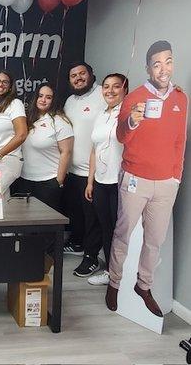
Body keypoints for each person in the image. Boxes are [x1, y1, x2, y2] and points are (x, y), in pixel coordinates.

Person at [106, 41, 188, 317]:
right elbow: (120, 135)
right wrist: (132, 121)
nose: (163, 69)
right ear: (148, 68)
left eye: (168, 61)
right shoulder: (134, 97)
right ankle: (114, 283)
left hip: (166, 183)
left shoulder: (180, 98)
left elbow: (180, 140)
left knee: (155, 240)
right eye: (157, 64)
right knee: (123, 234)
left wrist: (177, 175)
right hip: (135, 178)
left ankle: (144, 285)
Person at [63, 61, 107, 278]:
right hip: (73, 169)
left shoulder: (102, 94)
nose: (78, 78)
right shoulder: (70, 100)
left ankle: (91, 257)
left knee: (93, 218)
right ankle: (77, 243)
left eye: (82, 74)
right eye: (73, 75)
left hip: (93, 171)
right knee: (76, 212)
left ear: (91, 74)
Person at [84, 74, 127, 286]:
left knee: (120, 231)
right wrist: (90, 181)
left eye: (116, 87)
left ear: (124, 89)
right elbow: (94, 150)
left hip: (120, 183)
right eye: (106, 87)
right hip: (101, 182)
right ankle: (111, 273)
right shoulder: (101, 115)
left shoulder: (128, 113)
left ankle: (122, 276)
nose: (110, 91)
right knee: (106, 227)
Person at [13, 83, 73, 211]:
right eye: (40, 96)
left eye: (48, 97)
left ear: (54, 100)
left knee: (46, 227)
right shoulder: (28, 120)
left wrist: (59, 181)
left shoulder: (60, 121)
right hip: (25, 180)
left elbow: (66, 152)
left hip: (48, 182)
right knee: (26, 226)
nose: (43, 100)